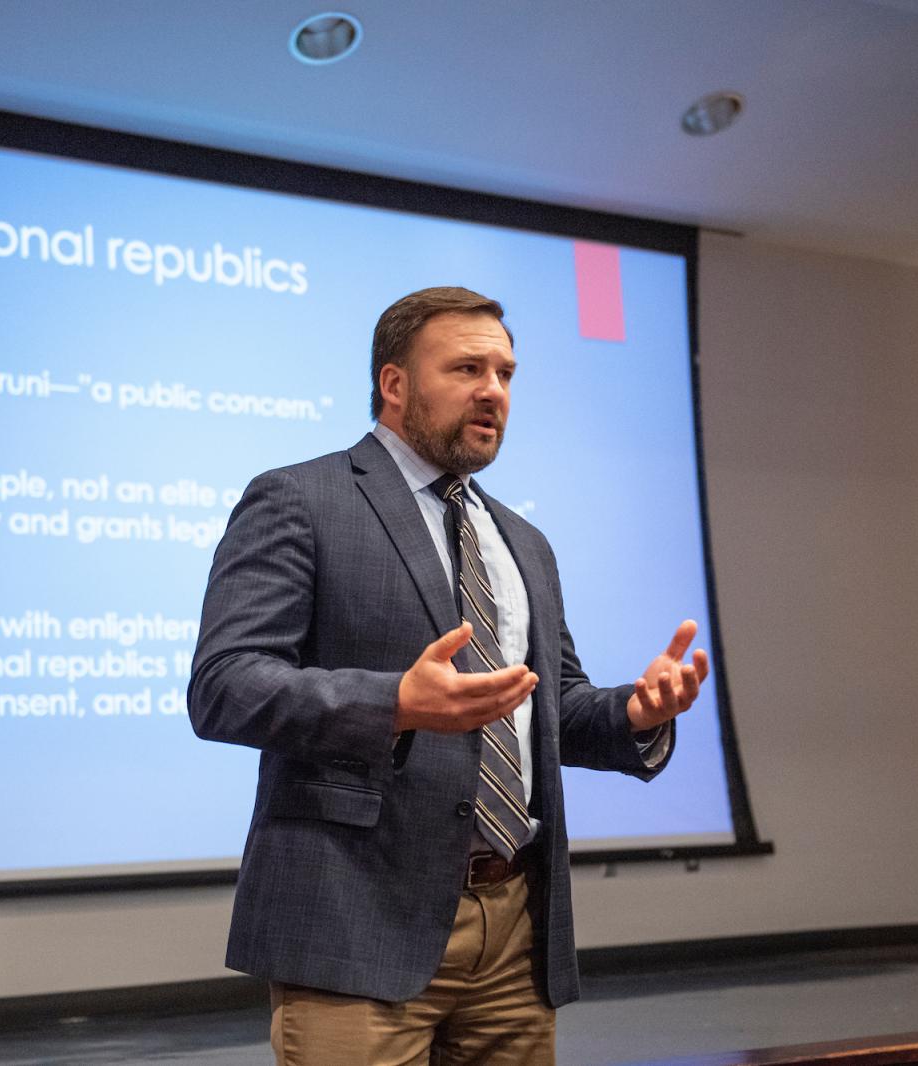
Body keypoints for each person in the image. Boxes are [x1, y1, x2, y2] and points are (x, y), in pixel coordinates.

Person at [188, 285, 711, 1065]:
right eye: (467, 367)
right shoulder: (302, 499)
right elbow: (224, 684)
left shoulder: (521, 540)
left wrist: (637, 713)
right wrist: (394, 702)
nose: (493, 390)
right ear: (394, 383)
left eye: (504, 372)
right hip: (356, 918)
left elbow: (549, 705)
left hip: (516, 927)